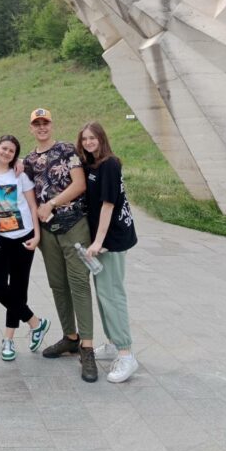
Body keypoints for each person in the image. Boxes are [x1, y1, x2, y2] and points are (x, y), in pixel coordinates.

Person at [23, 108, 97, 383]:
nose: (42, 127)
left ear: (52, 125)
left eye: (46, 123)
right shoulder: (29, 160)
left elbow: (79, 184)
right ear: (31, 128)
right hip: (47, 232)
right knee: (58, 284)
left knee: (79, 283)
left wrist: (52, 203)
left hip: (74, 225)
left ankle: (87, 347)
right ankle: (70, 337)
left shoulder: (66, 150)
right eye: (37, 124)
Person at [0, 135, 49, 361]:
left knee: (18, 288)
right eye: (4, 148)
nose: (7, 153)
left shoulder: (20, 175)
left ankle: (8, 340)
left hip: (23, 236)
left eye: (11, 151)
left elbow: (32, 205)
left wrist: (37, 235)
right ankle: (36, 323)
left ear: (15, 155)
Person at [77, 122, 139, 383]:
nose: (88, 142)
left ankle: (126, 354)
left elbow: (108, 205)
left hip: (112, 239)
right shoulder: (91, 165)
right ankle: (114, 343)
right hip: (101, 240)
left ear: (102, 138)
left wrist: (98, 241)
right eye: (84, 139)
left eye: (93, 138)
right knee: (103, 294)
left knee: (112, 295)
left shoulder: (110, 164)